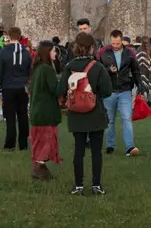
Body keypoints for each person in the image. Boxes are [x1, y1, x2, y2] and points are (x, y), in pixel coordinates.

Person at [58, 32, 113, 196]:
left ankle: (78, 186)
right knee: (96, 150)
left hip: (76, 113)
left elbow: (60, 90)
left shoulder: (69, 67)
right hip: (95, 111)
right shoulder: (97, 67)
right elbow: (107, 91)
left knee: (79, 150)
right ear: (91, 48)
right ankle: (96, 185)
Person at [96, 29, 142, 157]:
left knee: (127, 118)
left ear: (122, 40)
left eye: (117, 43)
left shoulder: (130, 53)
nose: (115, 46)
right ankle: (110, 145)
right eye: (113, 43)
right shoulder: (103, 52)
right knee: (110, 120)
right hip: (109, 91)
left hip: (124, 90)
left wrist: (140, 85)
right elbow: (97, 70)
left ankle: (129, 147)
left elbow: (136, 70)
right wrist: (108, 70)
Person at [0, 27, 33, 152]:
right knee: (23, 115)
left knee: (10, 116)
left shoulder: (3, 52)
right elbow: (30, 70)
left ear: (9, 36)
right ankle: (23, 144)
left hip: (8, 87)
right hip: (22, 87)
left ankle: (10, 144)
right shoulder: (26, 52)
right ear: (20, 36)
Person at [29, 41, 62, 180]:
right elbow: (55, 90)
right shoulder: (47, 69)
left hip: (37, 110)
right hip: (46, 111)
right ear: (47, 52)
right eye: (54, 51)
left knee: (39, 140)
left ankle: (39, 167)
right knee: (46, 141)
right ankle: (39, 166)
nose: (55, 54)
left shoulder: (37, 68)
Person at [136, 38, 151, 105]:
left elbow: (136, 61)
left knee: (143, 85)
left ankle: (144, 100)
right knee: (149, 85)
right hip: (148, 72)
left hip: (142, 72)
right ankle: (149, 99)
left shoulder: (139, 50)